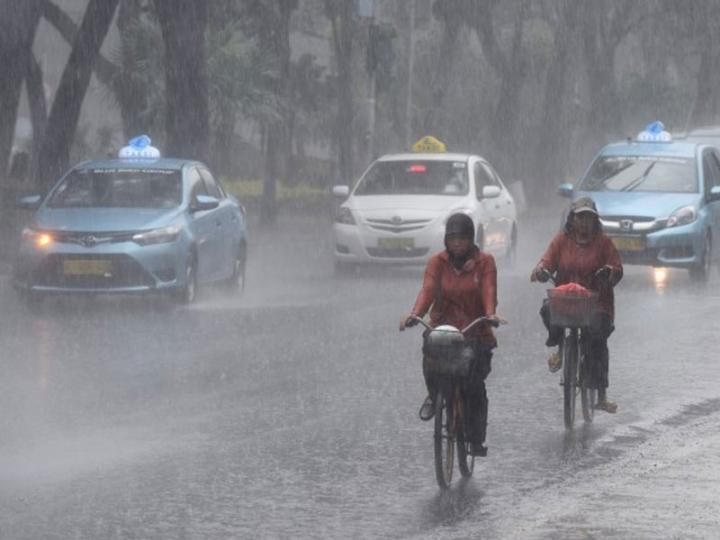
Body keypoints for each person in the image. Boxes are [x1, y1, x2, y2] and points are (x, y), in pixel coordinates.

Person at [399, 213, 500, 456]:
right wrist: (415, 314)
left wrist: (490, 313)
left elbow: (488, 290)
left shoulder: (485, 262)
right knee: (431, 359)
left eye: (462, 239)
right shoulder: (437, 263)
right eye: (452, 238)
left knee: (474, 385)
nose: (457, 244)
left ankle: (475, 439)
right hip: (443, 328)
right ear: (446, 240)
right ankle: (435, 397)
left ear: (471, 240)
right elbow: (427, 290)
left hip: (475, 331)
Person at [530, 197, 623, 413]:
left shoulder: (604, 243)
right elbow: (546, 262)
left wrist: (610, 272)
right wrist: (541, 271)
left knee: (596, 341)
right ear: (572, 219)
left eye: (588, 218)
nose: (584, 222)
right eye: (580, 217)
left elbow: (616, 268)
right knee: (547, 309)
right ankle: (560, 349)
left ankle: (601, 394)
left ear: (595, 221)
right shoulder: (561, 241)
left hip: (597, 304)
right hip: (566, 300)